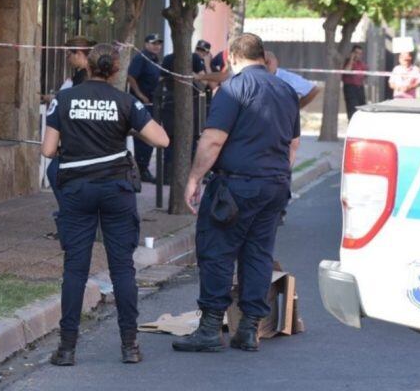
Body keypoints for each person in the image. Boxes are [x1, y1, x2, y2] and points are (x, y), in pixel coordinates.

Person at [172, 33, 300, 354]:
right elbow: (293, 144)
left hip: (237, 185)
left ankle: (210, 329)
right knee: (258, 254)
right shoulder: (285, 90)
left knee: (217, 250)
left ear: (232, 58)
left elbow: (213, 139)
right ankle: (248, 330)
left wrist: (194, 179)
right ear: (261, 56)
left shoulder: (233, 88)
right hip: (274, 185)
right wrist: (275, 174)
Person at [42, 43, 169, 365]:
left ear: (87, 66)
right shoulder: (125, 101)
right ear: (115, 69)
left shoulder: (65, 99)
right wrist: (130, 127)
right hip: (116, 191)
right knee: (122, 268)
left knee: (75, 269)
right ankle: (130, 346)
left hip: (76, 190)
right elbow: (161, 139)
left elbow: (47, 150)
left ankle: (67, 348)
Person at [44, 35, 96, 235]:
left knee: (56, 174)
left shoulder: (85, 77)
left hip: (78, 142)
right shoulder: (79, 76)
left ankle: (71, 222)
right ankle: (70, 221)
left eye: (70, 53)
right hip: (75, 141)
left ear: (81, 53)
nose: (67, 57)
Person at [160, 40, 208, 183]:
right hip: (181, 104)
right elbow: (204, 83)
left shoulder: (186, 58)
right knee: (180, 140)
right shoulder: (186, 58)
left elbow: (203, 83)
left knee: (182, 140)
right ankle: (175, 176)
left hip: (179, 103)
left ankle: (176, 176)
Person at [127, 33, 163, 182]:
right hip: (142, 103)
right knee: (144, 136)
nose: (157, 46)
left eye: (159, 43)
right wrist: (140, 95)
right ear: (146, 44)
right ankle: (141, 169)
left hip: (152, 102)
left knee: (149, 136)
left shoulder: (154, 59)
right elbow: (131, 77)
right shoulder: (141, 58)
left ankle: (143, 168)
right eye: (153, 43)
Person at [342, 45, 368, 119]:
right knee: (352, 110)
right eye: (356, 53)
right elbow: (347, 71)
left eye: (360, 54)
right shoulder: (348, 62)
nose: (358, 55)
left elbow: (365, 73)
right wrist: (351, 59)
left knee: (362, 108)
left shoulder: (361, 63)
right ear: (352, 53)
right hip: (350, 88)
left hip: (360, 88)